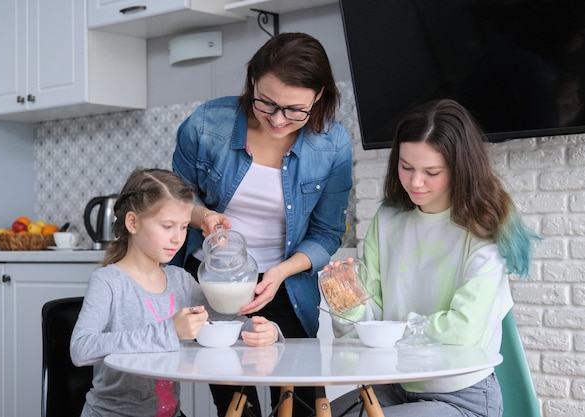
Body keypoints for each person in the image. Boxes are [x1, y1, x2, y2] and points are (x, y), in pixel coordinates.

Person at [171, 32, 353, 416]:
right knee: (238, 406)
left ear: (319, 96)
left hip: (284, 287)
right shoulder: (207, 125)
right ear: (252, 80)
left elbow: (326, 233)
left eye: (294, 109)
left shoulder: (332, 144)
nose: (277, 119)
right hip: (213, 281)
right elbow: (175, 198)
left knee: (303, 402)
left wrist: (282, 272)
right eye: (266, 103)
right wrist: (204, 218)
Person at [326, 99, 538, 417]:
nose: (415, 182)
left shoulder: (484, 228)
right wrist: (347, 302)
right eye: (406, 167)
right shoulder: (389, 218)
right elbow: (366, 322)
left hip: (459, 396)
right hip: (389, 385)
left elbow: (462, 330)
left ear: (461, 169)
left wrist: (389, 330)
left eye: (431, 172)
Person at [70, 168, 282, 417]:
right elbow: (81, 349)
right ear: (133, 222)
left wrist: (259, 330)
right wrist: (169, 331)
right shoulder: (108, 281)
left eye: (183, 228)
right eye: (167, 226)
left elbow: (224, 321)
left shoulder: (180, 280)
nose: (177, 239)